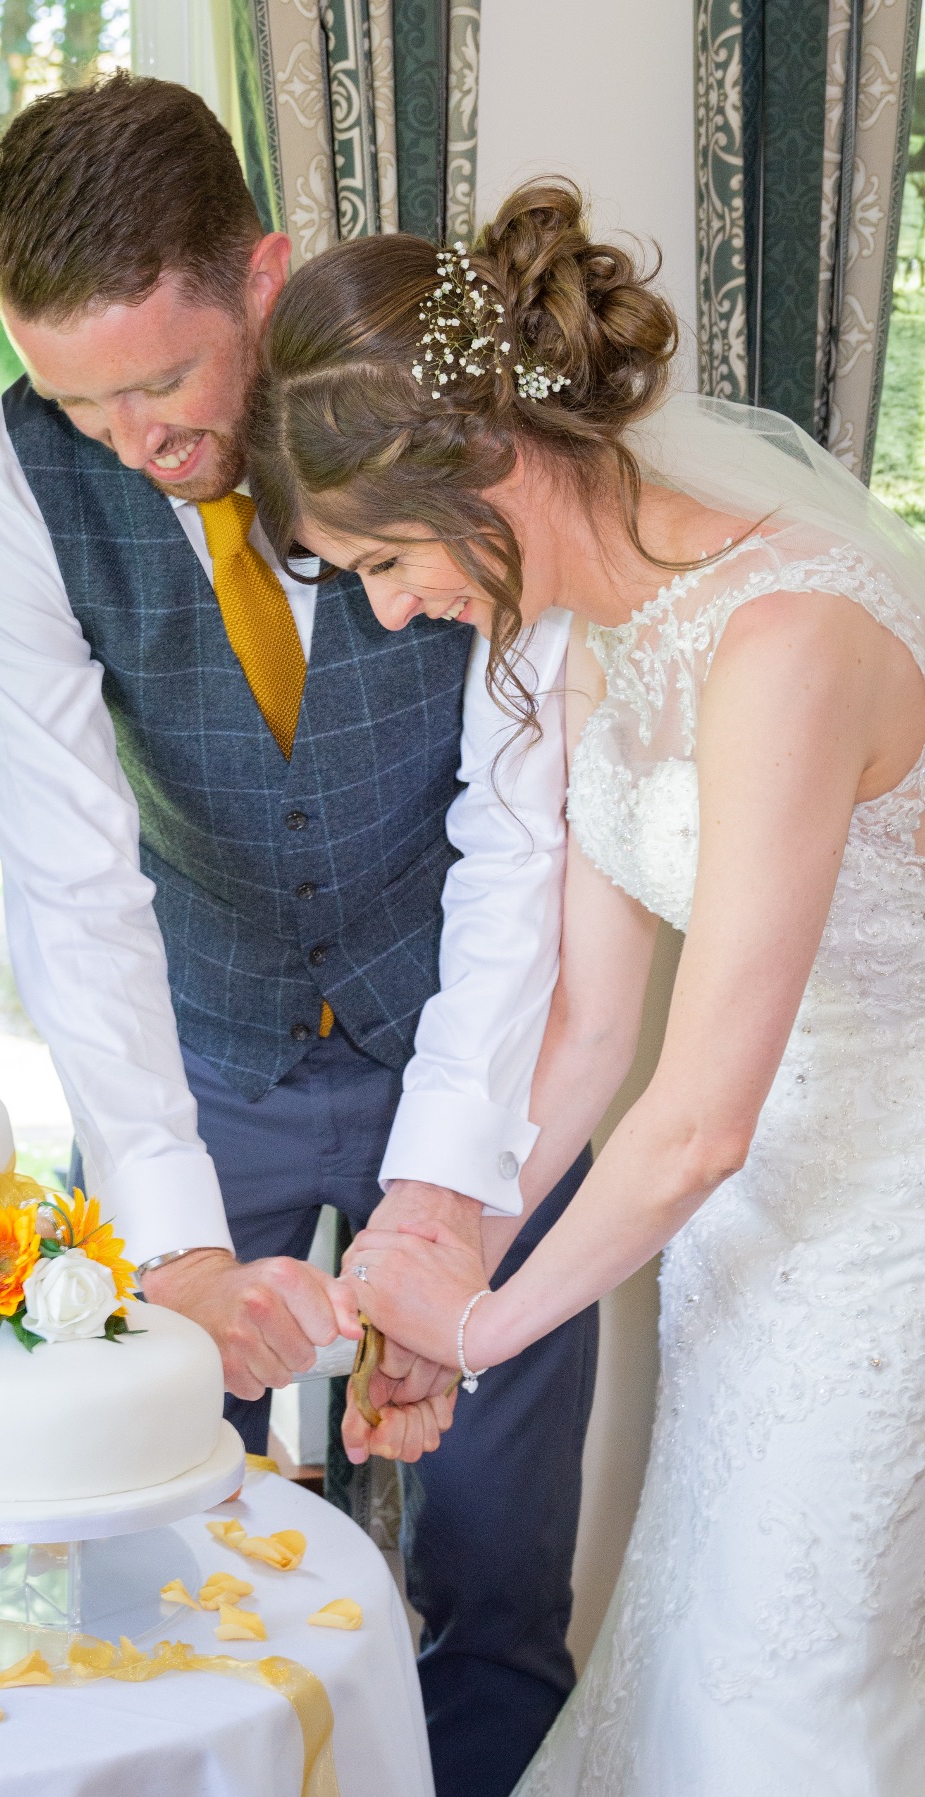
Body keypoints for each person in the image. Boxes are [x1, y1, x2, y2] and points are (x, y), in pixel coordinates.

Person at [0, 74, 597, 1794]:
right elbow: (72, 885)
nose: (132, 439)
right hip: (198, 1067)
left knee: (497, 1569)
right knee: (131, 1542)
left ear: (264, 276)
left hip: (475, 1039)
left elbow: (521, 836)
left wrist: (448, 1187)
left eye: (163, 379)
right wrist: (170, 1253)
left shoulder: (446, 421)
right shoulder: (3, 493)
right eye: (79, 400)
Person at [248, 175, 925, 1792]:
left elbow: (694, 1122)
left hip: (880, 1219)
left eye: (386, 559)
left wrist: (479, 1326)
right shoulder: (593, 641)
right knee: (701, 1640)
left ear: (484, 463)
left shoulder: (788, 645)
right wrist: (452, 1256)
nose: (393, 608)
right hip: (748, 1223)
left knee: (794, 1681)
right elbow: (590, 1027)